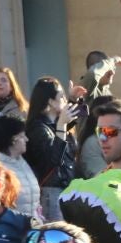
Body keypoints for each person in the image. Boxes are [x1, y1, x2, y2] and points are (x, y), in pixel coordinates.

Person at [25, 76, 75, 211]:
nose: (65, 101)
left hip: (66, 188)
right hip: (51, 193)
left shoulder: (55, 125)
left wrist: (74, 100)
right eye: (62, 97)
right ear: (51, 102)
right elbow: (53, 160)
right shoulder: (38, 129)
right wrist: (62, 125)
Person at [0, 115, 43, 219]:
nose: (27, 139)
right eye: (23, 136)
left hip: (32, 227)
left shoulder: (21, 161)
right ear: (13, 139)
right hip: (10, 229)